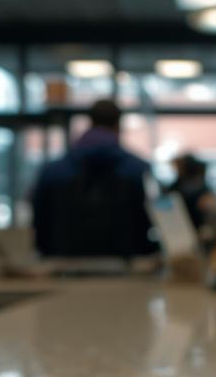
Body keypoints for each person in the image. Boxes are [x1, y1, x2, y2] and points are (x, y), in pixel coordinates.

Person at [31, 99, 156, 259]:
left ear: (90, 122)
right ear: (118, 125)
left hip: (64, 266)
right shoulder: (138, 169)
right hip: (126, 268)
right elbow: (151, 219)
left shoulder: (53, 171)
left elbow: (39, 221)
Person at [166, 154, 211, 231]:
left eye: (177, 165)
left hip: (192, 218)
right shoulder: (180, 182)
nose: (175, 168)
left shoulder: (193, 183)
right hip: (182, 218)